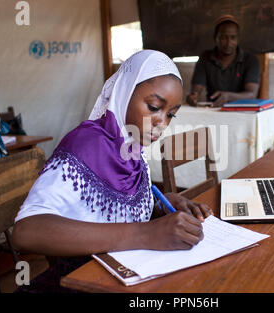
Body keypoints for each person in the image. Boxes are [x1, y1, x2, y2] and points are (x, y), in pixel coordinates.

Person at [11, 50, 213, 292]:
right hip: (76, 281)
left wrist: (161, 206)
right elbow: (26, 231)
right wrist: (145, 233)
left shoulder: (130, 145)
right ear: (124, 93)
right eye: (153, 107)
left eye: (170, 114)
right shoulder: (85, 145)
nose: (162, 123)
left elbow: (116, 208)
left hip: (116, 276)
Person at [186, 15, 261, 107]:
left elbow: (252, 94)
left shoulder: (250, 60)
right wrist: (192, 96)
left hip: (242, 111)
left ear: (238, 39)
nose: (228, 43)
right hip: (213, 110)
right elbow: (195, 90)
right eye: (223, 37)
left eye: (233, 37)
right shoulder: (205, 58)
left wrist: (228, 96)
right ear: (215, 38)